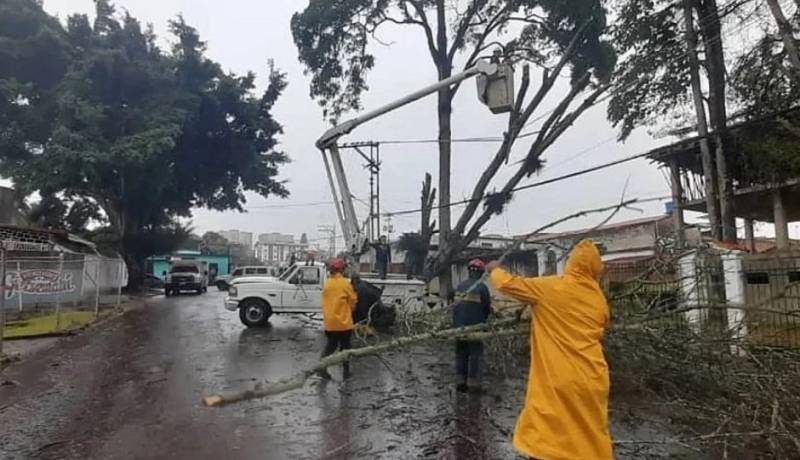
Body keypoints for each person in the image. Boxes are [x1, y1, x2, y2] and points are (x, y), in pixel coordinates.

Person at [486, 240, 613, 460]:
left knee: (547, 432)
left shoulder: (552, 287)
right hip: (593, 377)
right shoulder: (598, 298)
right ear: (595, 268)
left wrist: (494, 270)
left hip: (559, 376)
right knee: (588, 433)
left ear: (571, 263)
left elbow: (509, 284)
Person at [452, 259, 491, 393]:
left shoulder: (460, 286)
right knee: (475, 355)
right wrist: (484, 323)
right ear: (480, 273)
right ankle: (473, 385)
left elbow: (455, 309)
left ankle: (460, 383)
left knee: (461, 354)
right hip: (475, 328)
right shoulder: (482, 288)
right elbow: (486, 309)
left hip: (458, 327)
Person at [319, 257, 358, 380]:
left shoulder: (327, 283)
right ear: (342, 269)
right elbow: (353, 300)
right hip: (343, 323)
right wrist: (351, 309)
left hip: (330, 323)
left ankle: (321, 367)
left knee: (330, 345)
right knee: (345, 348)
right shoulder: (344, 283)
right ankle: (346, 373)